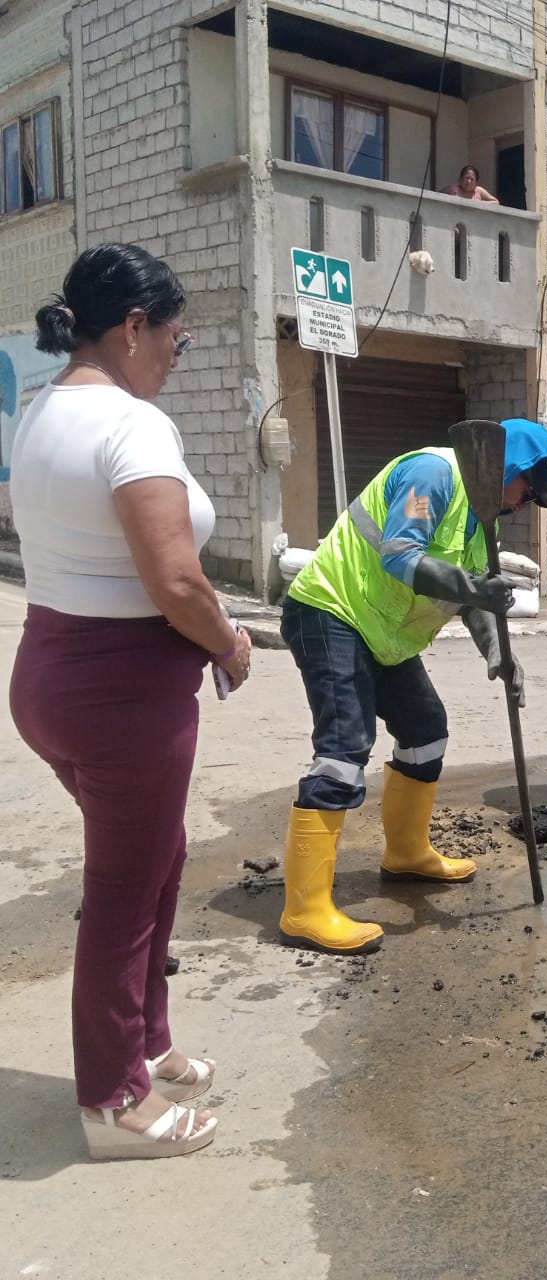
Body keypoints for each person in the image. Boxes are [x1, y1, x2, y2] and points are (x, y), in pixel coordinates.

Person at [8, 243, 252, 1159]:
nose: (177, 359)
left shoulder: (43, 410)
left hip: (50, 675)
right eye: (177, 341)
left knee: (156, 860)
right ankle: (114, 1104)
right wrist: (228, 641)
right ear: (134, 327)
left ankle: (147, 1043)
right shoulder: (131, 423)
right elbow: (176, 580)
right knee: (123, 891)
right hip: (124, 694)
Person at [278, 418, 547, 955]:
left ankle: (406, 853)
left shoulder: (479, 523)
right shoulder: (432, 474)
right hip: (333, 611)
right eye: (527, 493)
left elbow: (473, 598)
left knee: (426, 730)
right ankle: (304, 910)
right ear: (512, 468)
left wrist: (499, 653)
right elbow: (401, 554)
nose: (522, 505)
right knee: (343, 749)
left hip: (383, 633)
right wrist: (475, 587)